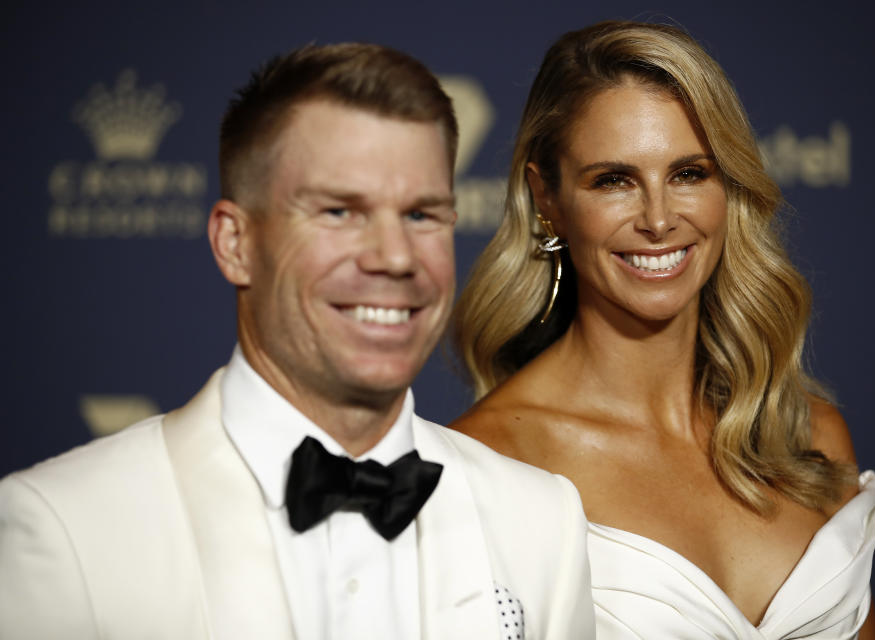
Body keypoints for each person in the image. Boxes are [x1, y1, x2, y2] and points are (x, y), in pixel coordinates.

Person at [0, 43, 594, 640]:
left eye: (421, 215)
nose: (394, 257)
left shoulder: (542, 523)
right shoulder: (64, 529)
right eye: (340, 211)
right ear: (235, 243)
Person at [452, 21, 875, 640]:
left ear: (728, 186)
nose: (658, 219)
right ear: (547, 198)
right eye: (614, 180)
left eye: (688, 173)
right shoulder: (483, 468)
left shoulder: (808, 437)